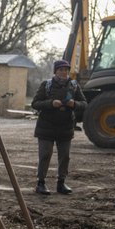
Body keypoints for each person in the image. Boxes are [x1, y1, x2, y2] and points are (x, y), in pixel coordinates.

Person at [31, 59, 86, 195]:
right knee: (45, 155)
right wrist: (50, 103)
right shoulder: (46, 85)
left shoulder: (74, 86)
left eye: (66, 70)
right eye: (61, 70)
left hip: (65, 128)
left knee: (65, 156)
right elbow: (35, 103)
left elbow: (85, 104)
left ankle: (61, 183)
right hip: (46, 127)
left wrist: (75, 104)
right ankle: (41, 183)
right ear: (56, 71)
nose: (64, 72)